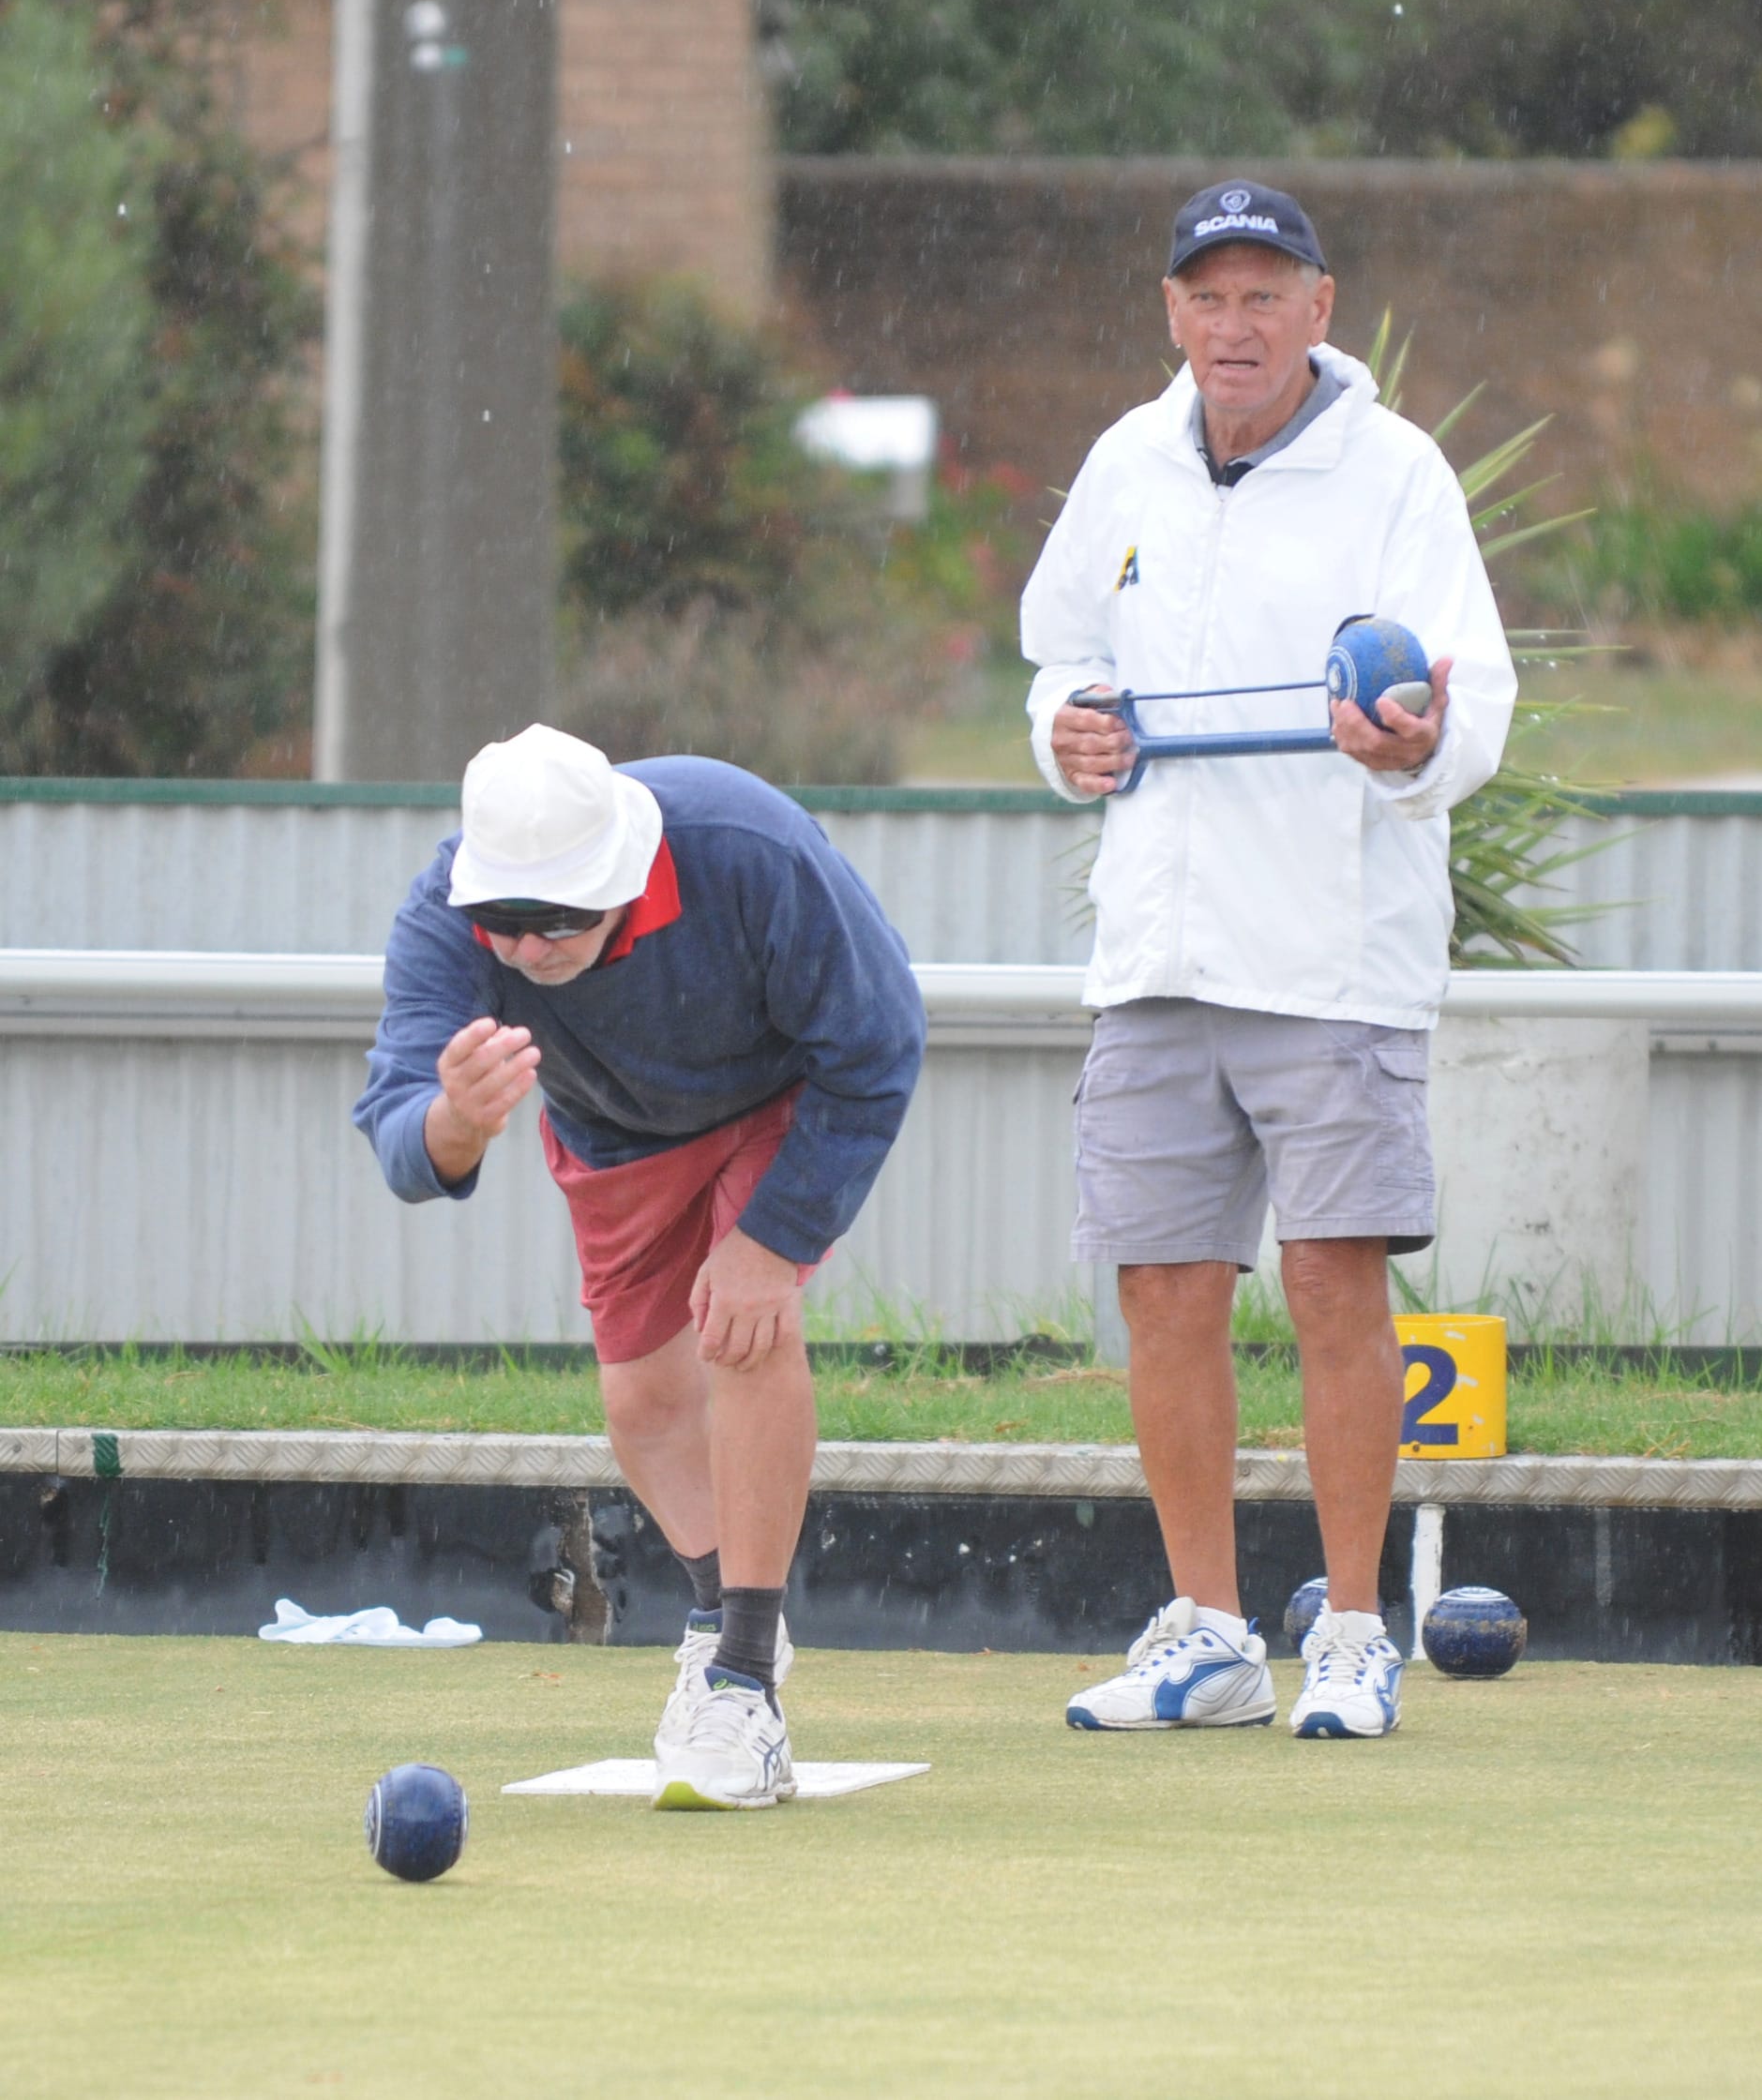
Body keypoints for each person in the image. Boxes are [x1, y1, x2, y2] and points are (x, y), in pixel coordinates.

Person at [1022, 180, 1516, 1740]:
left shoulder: (1396, 473)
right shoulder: (1124, 460)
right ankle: (1207, 1635)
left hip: (1332, 957)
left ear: (1316, 307)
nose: (1230, 326)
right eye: (1205, 296)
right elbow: (1058, 658)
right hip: (1154, 951)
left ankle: (1352, 1633)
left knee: (1327, 1282)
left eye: (1260, 296)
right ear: (1168, 309)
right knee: (1161, 1289)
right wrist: (1062, 731)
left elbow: (1468, 697)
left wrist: (1410, 745)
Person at [354, 724, 926, 1807]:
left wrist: (773, 1242)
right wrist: (456, 1123)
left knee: (743, 1329)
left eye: (561, 918)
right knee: (643, 1402)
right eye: (505, 923)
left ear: (622, 873)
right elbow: (399, 1133)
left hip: (781, 1091)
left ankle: (743, 1680)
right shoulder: (448, 913)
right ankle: (721, 1616)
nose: (529, 949)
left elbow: (877, 1038)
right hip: (615, 1133)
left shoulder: (743, 845)